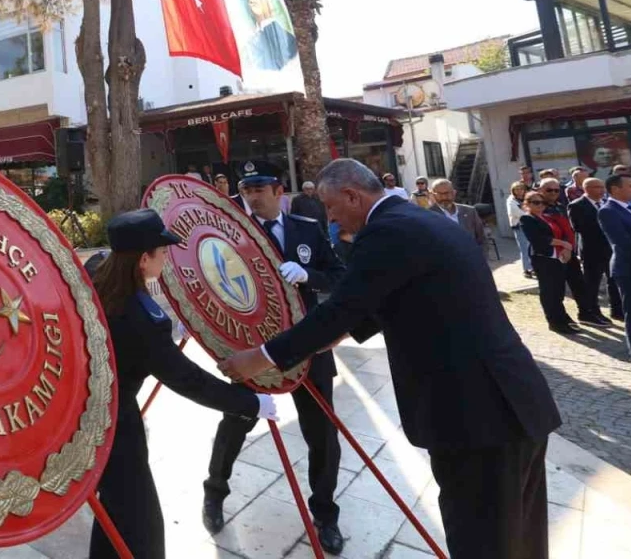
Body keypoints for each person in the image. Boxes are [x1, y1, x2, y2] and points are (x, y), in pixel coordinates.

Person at [218, 159, 561, 559]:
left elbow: (342, 307)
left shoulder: (384, 232)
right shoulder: (418, 220)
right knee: (521, 537)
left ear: (352, 196)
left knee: (483, 541)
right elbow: (399, 295)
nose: (330, 217)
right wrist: (337, 336)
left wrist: (260, 357)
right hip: (512, 404)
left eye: (331, 206)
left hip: (475, 416)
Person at [89, 209, 275, 559]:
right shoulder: (144, 319)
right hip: (116, 424)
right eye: (162, 252)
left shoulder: (95, 276)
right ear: (144, 259)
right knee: (138, 525)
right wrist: (251, 404)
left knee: (113, 509)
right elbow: (188, 380)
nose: (166, 258)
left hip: (82, 411)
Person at [202, 165, 346, 554]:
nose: (251, 196)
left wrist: (309, 275)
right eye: (245, 189)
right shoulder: (233, 232)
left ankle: (325, 513)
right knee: (237, 421)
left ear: (279, 191)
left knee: (322, 432)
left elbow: (339, 276)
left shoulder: (306, 229)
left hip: (307, 342)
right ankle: (215, 492)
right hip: (254, 347)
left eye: (259, 188)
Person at [540, 178, 606, 326]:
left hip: (568, 251)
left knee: (579, 284)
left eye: (556, 190)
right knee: (554, 289)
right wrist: (562, 245)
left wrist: (568, 247)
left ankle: (586, 314)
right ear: (540, 190)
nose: (553, 193)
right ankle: (558, 320)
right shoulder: (537, 207)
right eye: (549, 190)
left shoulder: (560, 207)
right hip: (550, 254)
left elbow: (569, 230)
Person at [520, 192, 583, 334]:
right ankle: (555, 322)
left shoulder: (548, 217)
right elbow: (538, 238)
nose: (540, 205)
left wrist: (566, 247)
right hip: (543, 258)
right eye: (535, 202)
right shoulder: (527, 218)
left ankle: (562, 317)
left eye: (542, 202)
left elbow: (563, 232)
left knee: (558, 290)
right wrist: (563, 244)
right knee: (549, 291)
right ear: (527, 204)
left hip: (557, 257)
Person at [596, 175, 631, 375]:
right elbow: (622, 243)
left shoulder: (629, 208)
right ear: (615, 189)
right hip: (629, 270)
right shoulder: (608, 211)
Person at [569, 178, 617, 327]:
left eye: (602, 187)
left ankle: (617, 309)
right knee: (592, 283)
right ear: (587, 189)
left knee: (613, 280)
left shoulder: (606, 202)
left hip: (610, 249)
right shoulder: (577, 205)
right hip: (592, 250)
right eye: (597, 187)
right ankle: (592, 312)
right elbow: (578, 227)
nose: (602, 190)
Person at [429, 179, 485, 248]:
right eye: (439, 194)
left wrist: (482, 254)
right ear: (433, 195)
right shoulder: (428, 216)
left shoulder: (470, 211)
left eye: (447, 193)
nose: (444, 197)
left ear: (454, 193)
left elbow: (482, 239)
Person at [507, 181, 535, 278]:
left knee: (532, 247)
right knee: (524, 248)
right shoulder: (511, 200)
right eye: (517, 189)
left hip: (529, 225)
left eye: (521, 189)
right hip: (519, 226)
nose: (519, 191)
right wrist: (530, 215)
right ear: (513, 191)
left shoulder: (526, 198)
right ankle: (526, 269)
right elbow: (516, 212)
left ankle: (532, 267)